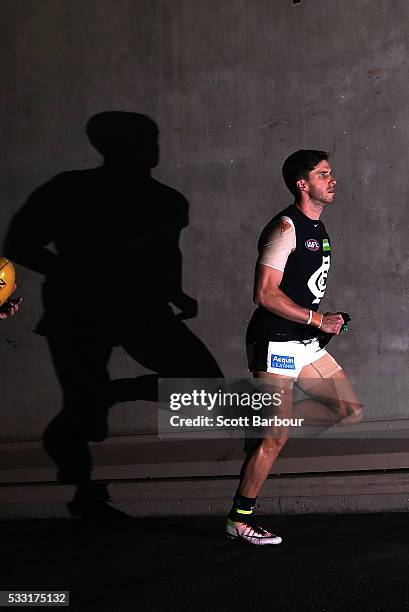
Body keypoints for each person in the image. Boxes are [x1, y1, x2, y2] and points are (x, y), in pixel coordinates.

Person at [226, 149, 363, 545]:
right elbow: (264, 294)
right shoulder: (286, 227)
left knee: (347, 410)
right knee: (276, 437)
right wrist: (319, 319)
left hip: (303, 340)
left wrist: (324, 322)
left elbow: (302, 290)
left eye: (331, 173)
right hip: (274, 340)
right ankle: (239, 518)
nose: (331, 180)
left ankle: (267, 427)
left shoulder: (318, 228)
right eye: (323, 175)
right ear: (303, 184)